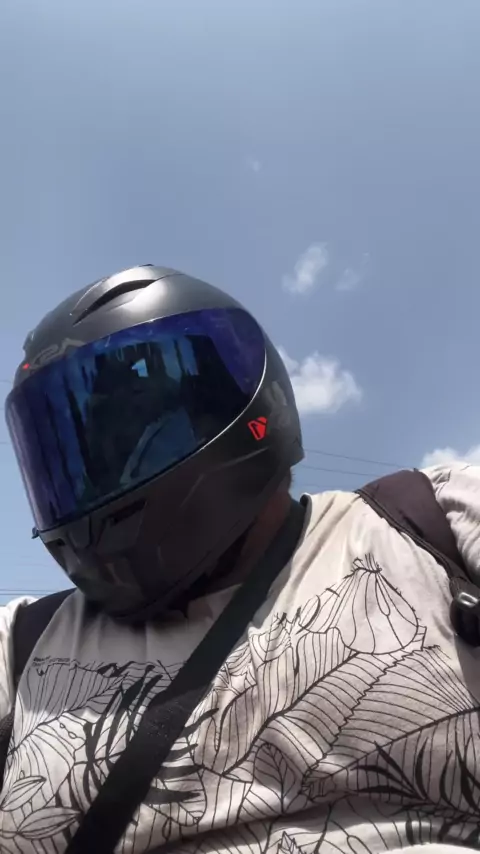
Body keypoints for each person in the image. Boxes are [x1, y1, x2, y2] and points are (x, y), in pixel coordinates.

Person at [0, 264, 479, 854]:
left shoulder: (432, 522)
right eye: (80, 454)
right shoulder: (21, 642)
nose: (99, 474)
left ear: (228, 410)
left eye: (134, 437)